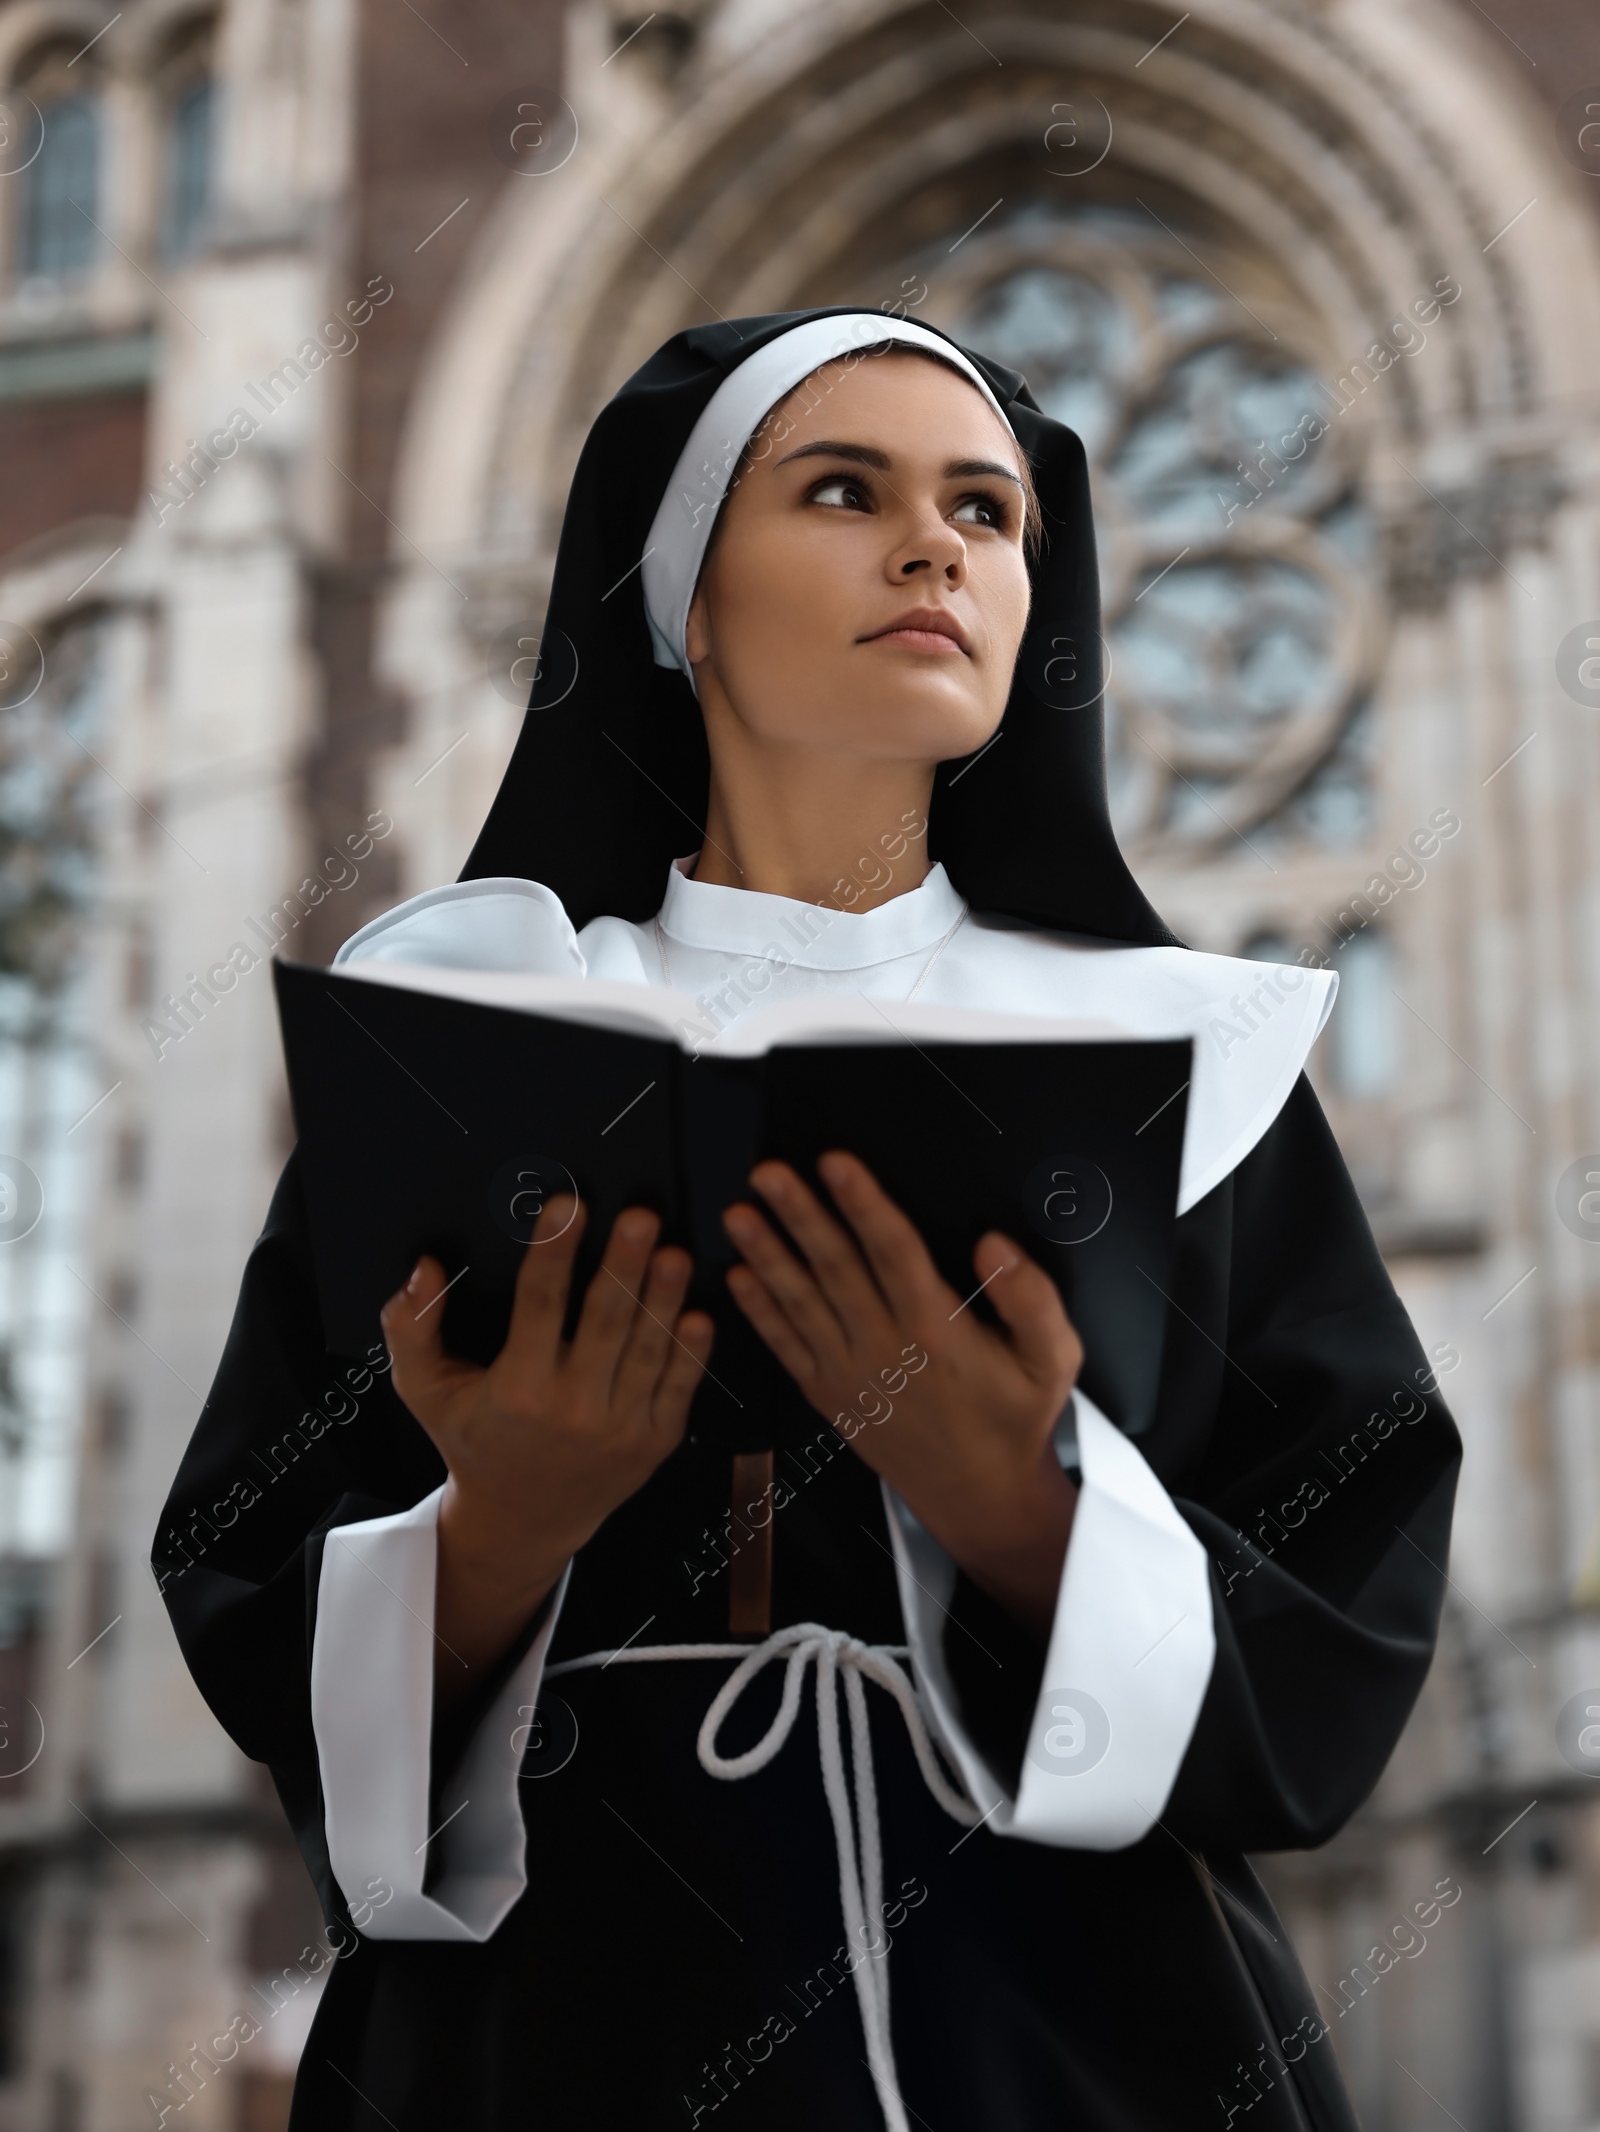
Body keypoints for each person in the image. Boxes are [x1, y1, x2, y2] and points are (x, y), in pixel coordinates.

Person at [157, 307, 1461, 2131]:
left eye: (991, 516)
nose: (937, 548)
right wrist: (499, 1527)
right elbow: (246, 1561)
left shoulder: (1188, 1066)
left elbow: (1350, 1582)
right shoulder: (467, 1037)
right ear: (686, 600)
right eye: (843, 491)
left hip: (1081, 2028)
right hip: (559, 2028)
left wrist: (1018, 1507)